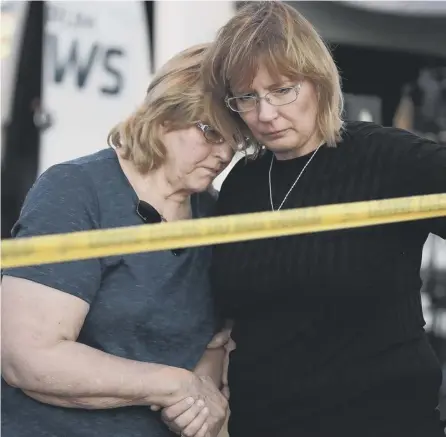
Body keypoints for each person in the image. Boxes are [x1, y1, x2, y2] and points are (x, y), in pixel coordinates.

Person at [190, 2, 445, 437]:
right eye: (247, 98)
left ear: (318, 81)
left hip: (382, 421)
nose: (265, 114)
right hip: (264, 422)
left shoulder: (390, 158)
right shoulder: (242, 184)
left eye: (282, 90)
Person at [1, 44, 234, 437]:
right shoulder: (78, 190)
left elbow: (214, 344)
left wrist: (202, 398)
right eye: (211, 132)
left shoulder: (213, 213)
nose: (224, 152)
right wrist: (172, 384)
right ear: (164, 114)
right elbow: (27, 356)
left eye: (236, 139)